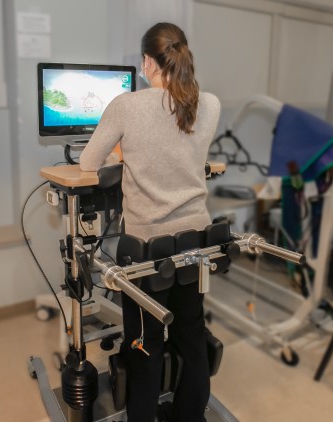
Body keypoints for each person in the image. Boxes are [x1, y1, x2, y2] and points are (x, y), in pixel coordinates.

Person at [79, 22, 220, 422]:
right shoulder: (209, 103)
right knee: (191, 334)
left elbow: (89, 163)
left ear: (146, 61)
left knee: (146, 341)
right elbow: (183, 147)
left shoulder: (127, 105)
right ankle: (190, 415)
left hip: (146, 248)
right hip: (195, 239)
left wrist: (124, 154)